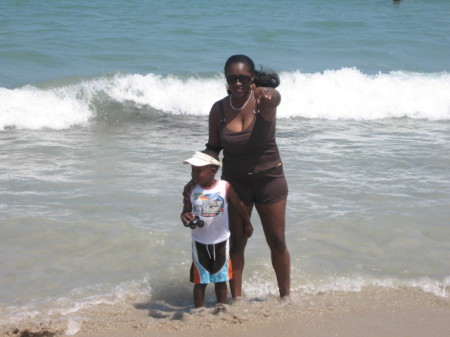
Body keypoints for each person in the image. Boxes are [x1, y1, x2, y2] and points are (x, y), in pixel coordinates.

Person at [205, 55, 290, 300]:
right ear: (227, 81)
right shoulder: (219, 109)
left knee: (276, 241)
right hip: (235, 184)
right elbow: (213, 147)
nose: (238, 83)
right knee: (237, 244)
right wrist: (199, 168)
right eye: (233, 79)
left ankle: (285, 297)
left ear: (252, 78)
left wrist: (270, 95)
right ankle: (236, 300)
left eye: (243, 78)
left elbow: (276, 99)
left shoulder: (263, 101)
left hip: (269, 180)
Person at [181, 150, 253, 309]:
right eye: (192, 169)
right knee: (200, 281)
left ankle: (222, 309)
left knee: (221, 279)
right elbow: (185, 211)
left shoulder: (224, 187)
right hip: (199, 242)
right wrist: (185, 218)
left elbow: (239, 205)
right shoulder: (190, 188)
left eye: (198, 170)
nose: (194, 173)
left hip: (221, 241)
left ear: (212, 171)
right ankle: (199, 311)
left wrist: (247, 223)